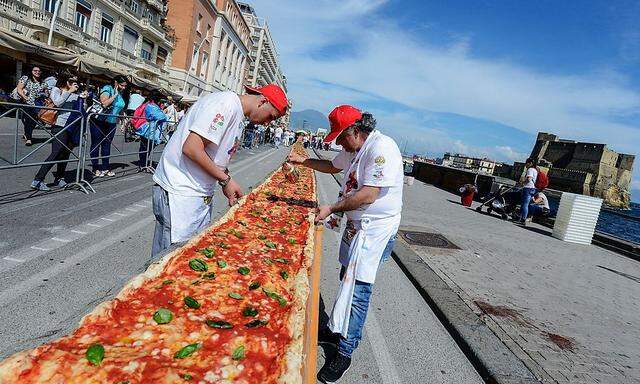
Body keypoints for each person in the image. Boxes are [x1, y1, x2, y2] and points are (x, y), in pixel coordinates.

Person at [287, 105, 403, 383]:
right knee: (345, 277)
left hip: (375, 230)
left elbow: (368, 195)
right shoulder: (353, 149)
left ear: (356, 130)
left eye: (341, 136)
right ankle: (336, 329)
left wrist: (332, 207)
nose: (337, 141)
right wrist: (301, 162)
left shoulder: (381, 149)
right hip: (356, 226)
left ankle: (345, 351)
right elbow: (331, 167)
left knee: (359, 290)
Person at [151, 84, 289, 257]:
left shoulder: (237, 112)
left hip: (196, 192)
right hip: (180, 191)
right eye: (271, 116)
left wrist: (226, 179)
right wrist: (225, 180)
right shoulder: (225, 104)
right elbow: (192, 148)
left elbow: (216, 155)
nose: (268, 122)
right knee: (169, 260)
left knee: (190, 254)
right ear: (262, 101)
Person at [30, 73, 85, 191]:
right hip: (59, 125)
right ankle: (38, 180)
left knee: (65, 153)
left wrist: (81, 96)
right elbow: (58, 103)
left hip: (71, 126)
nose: (74, 83)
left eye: (75, 81)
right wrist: (69, 91)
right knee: (56, 152)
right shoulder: (56, 90)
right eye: (71, 80)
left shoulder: (73, 92)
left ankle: (60, 178)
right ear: (65, 81)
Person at [89, 75, 128, 177]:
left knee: (107, 145)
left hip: (111, 122)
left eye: (125, 86)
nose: (124, 88)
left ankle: (105, 168)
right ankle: (95, 168)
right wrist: (114, 95)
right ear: (115, 83)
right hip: (99, 120)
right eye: (122, 85)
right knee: (96, 144)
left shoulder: (121, 92)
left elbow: (120, 108)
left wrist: (123, 122)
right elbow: (104, 103)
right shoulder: (107, 88)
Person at [11, 66, 48, 146]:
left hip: (38, 104)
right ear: (31, 71)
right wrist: (25, 97)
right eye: (35, 70)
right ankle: (29, 138)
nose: (37, 72)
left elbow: (46, 93)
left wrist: (44, 95)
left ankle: (26, 134)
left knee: (34, 120)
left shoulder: (43, 82)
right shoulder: (25, 78)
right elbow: (19, 89)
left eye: (39, 71)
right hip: (27, 102)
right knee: (28, 120)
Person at [134, 91, 167, 170]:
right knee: (145, 147)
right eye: (161, 101)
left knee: (147, 148)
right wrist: (163, 112)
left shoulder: (150, 105)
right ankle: (143, 164)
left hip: (150, 131)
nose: (162, 103)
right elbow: (161, 117)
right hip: (147, 131)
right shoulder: (151, 106)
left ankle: (143, 163)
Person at [517, 157, 538, 224]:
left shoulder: (530, 169)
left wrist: (522, 182)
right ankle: (519, 217)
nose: (525, 165)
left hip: (528, 188)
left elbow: (529, 179)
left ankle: (523, 219)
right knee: (525, 204)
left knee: (524, 204)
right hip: (533, 189)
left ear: (530, 163)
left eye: (527, 163)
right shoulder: (535, 170)